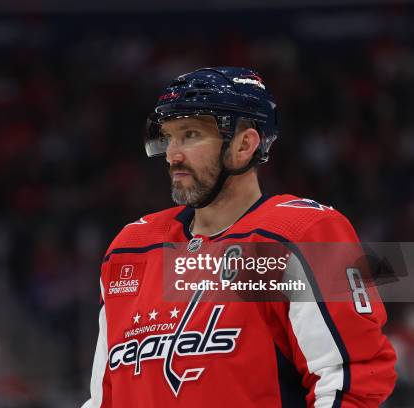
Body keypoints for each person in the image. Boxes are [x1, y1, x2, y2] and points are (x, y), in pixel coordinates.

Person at [81, 67, 396, 407]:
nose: (173, 154)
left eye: (190, 135)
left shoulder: (302, 233)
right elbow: (104, 397)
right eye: (169, 136)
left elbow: (350, 380)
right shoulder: (130, 248)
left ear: (245, 144)